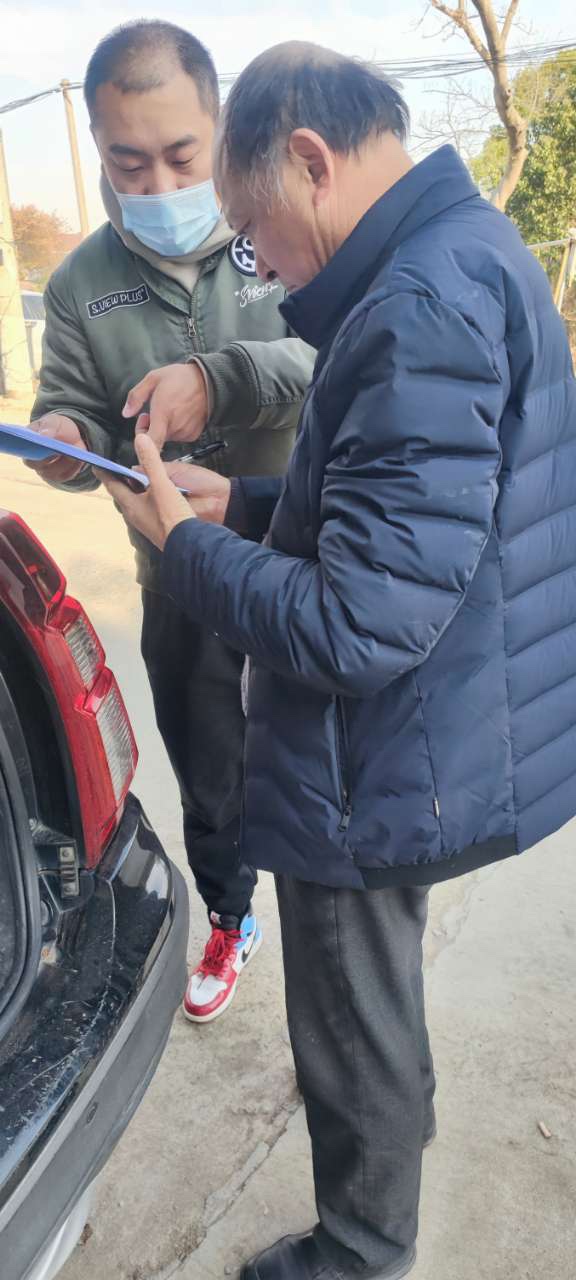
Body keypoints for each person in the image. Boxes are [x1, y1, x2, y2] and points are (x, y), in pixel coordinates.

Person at [102, 42, 576, 1280]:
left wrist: (189, 547)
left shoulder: (418, 306)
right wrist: (251, 504)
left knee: (350, 1007)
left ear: (309, 162)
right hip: (433, 722)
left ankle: (362, 1246)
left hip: (381, 753)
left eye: (255, 232)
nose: (260, 266)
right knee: (377, 994)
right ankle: (393, 1151)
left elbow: (358, 619)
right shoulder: (453, 256)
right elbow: (396, 513)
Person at [27, 21, 313, 1024]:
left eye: (182, 157)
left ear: (220, 123)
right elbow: (72, 409)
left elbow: (335, 360)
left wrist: (217, 378)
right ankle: (231, 915)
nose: (158, 184)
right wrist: (64, 441)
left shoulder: (283, 230)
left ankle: (328, 918)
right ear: (99, 151)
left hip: (302, 558)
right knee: (209, 769)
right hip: (180, 578)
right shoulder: (80, 284)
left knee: (326, 764)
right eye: (128, 163)